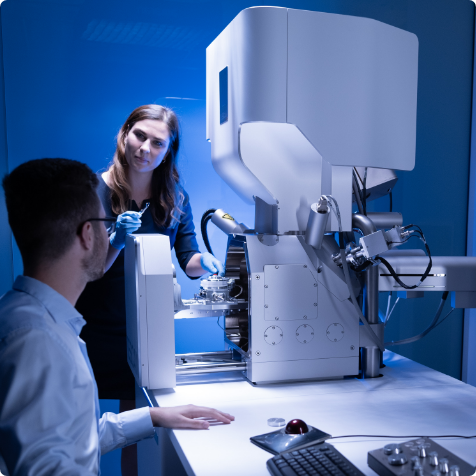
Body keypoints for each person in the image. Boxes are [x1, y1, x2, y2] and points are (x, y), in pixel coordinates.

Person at [0, 158, 234, 476]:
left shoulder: (39, 320)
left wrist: (151, 417)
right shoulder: (36, 339)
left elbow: (69, 438)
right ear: (87, 235)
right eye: (103, 222)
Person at [75, 104, 225, 473]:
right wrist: (115, 241)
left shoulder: (174, 198)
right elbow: (87, 271)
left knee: (137, 425)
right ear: (124, 134)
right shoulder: (92, 191)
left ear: (168, 150)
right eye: (139, 135)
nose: (145, 148)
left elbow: (187, 257)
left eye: (158, 143)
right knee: (79, 427)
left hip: (144, 329)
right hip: (92, 328)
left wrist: (204, 262)